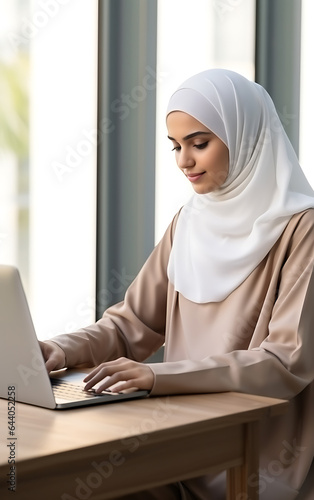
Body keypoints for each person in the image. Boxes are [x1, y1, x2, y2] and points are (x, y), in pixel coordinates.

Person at [40, 69, 314, 499]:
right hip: (177, 428)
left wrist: (156, 377)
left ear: (246, 138)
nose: (184, 161)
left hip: (256, 446)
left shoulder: (303, 231)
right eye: (176, 146)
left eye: (199, 143)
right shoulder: (190, 220)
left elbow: (284, 364)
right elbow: (130, 326)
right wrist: (57, 350)